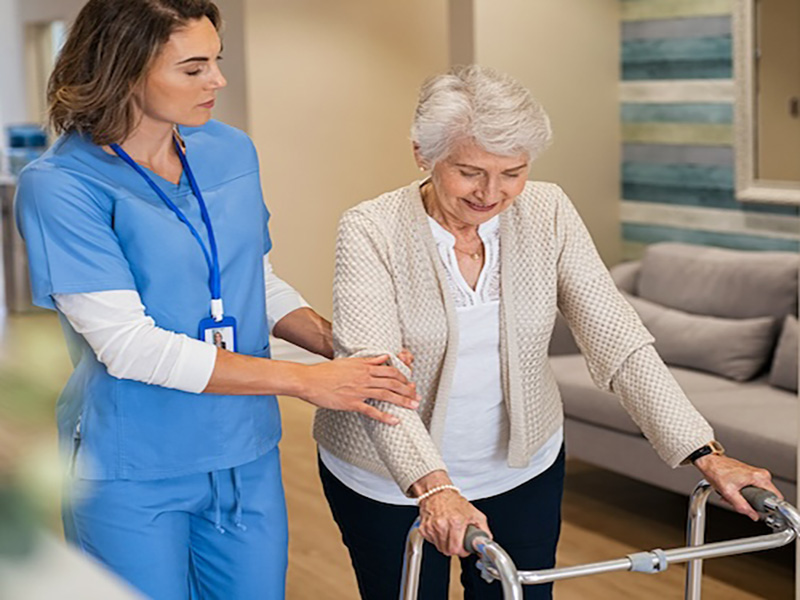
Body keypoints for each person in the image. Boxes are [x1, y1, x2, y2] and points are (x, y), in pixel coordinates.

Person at [313, 65, 781, 600]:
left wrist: (704, 451)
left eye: (513, 172)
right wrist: (435, 487)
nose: (493, 193)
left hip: (521, 467)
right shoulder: (371, 228)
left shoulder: (548, 210)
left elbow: (618, 337)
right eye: (470, 171)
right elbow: (378, 378)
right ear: (423, 153)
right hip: (388, 477)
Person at [15, 1, 419, 598]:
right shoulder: (61, 186)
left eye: (217, 62)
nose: (218, 81)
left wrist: (340, 347)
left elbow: (252, 278)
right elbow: (127, 346)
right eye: (194, 68)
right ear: (124, 68)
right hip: (134, 464)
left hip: (243, 451)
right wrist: (308, 382)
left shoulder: (229, 151)